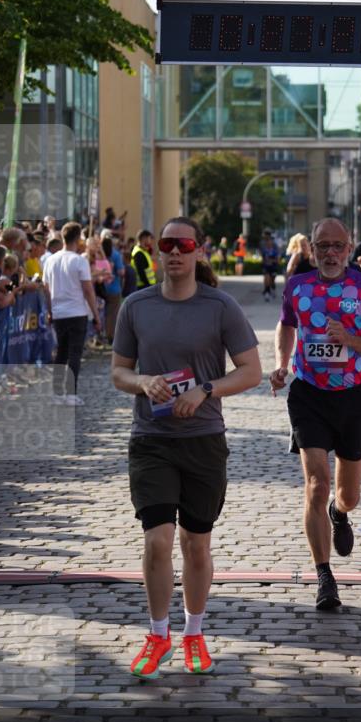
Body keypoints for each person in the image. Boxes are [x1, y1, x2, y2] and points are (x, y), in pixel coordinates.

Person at [112, 216, 261, 678]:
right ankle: (158, 635)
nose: (174, 252)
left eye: (184, 244)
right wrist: (143, 382)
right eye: (167, 244)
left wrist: (206, 390)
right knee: (158, 541)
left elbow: (251, 371)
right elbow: (118, 371)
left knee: (196, 545)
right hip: (151, 440)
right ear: (158, 251)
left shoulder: (220, 306)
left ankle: (194, 633)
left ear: (199, 251)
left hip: (203, 441)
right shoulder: (136, 306)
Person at [269, 218, 361, 612]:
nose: (330, 253)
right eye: (323, 245)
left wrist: (350, 339)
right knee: (316, 485)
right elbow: (286, 325)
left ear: (349, 248)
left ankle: (339, 515)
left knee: (347, 495)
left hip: (352, 397)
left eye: (338, 245)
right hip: (308, 395)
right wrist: (281, 364)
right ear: (312, 248)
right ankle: (324, 576)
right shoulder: (297, 286)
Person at [43, 222, 101, 405]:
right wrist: (96, 314)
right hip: (77, 312)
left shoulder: (50, 260)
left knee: (61, 352)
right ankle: (70, 394)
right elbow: (88, 290)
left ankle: (57, 393)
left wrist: (50, 311)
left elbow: (46, 289)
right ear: (78, 239)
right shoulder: (79, 261)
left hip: (59, 313)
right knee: (74, 353)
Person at [259, 229, 280, 301]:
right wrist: (264, 261)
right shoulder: (263, 246)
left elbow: (278, 259)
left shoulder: (275, 247)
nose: (268, 243)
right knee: (266, 278)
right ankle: (267, 292)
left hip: (273, 266)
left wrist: (272, 261)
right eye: (267, 242)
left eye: (269, 241)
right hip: (266, 266)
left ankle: (273, 289)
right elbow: (262, 256)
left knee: (272, 280)